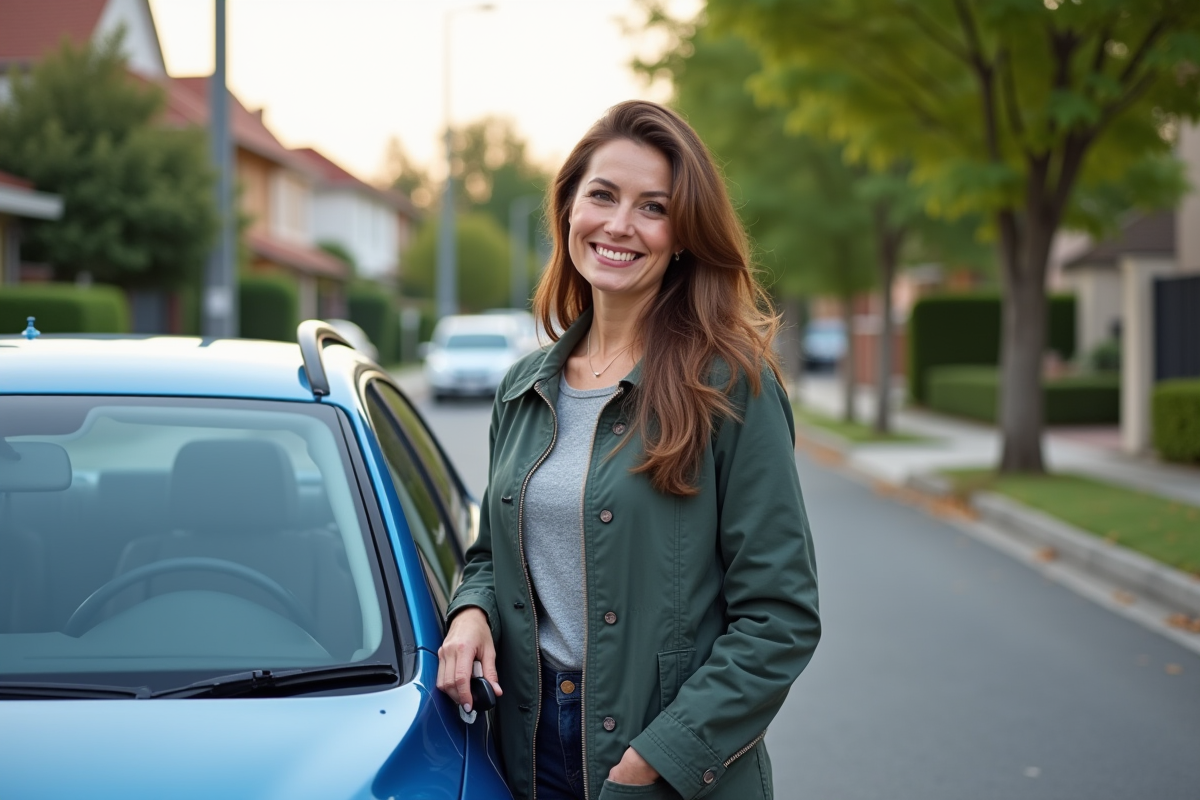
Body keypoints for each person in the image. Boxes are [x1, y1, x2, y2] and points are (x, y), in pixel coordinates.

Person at [436, 100, 820, 800]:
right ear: (568, 210)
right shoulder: (524, 388)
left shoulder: (732, 385)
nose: (618, 225)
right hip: (526, 745)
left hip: (663, 762)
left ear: (683, 235)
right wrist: (470, 610)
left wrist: (658, 758)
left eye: (653, 207)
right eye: (603, 196)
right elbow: (493, 553)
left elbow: (779, 617)